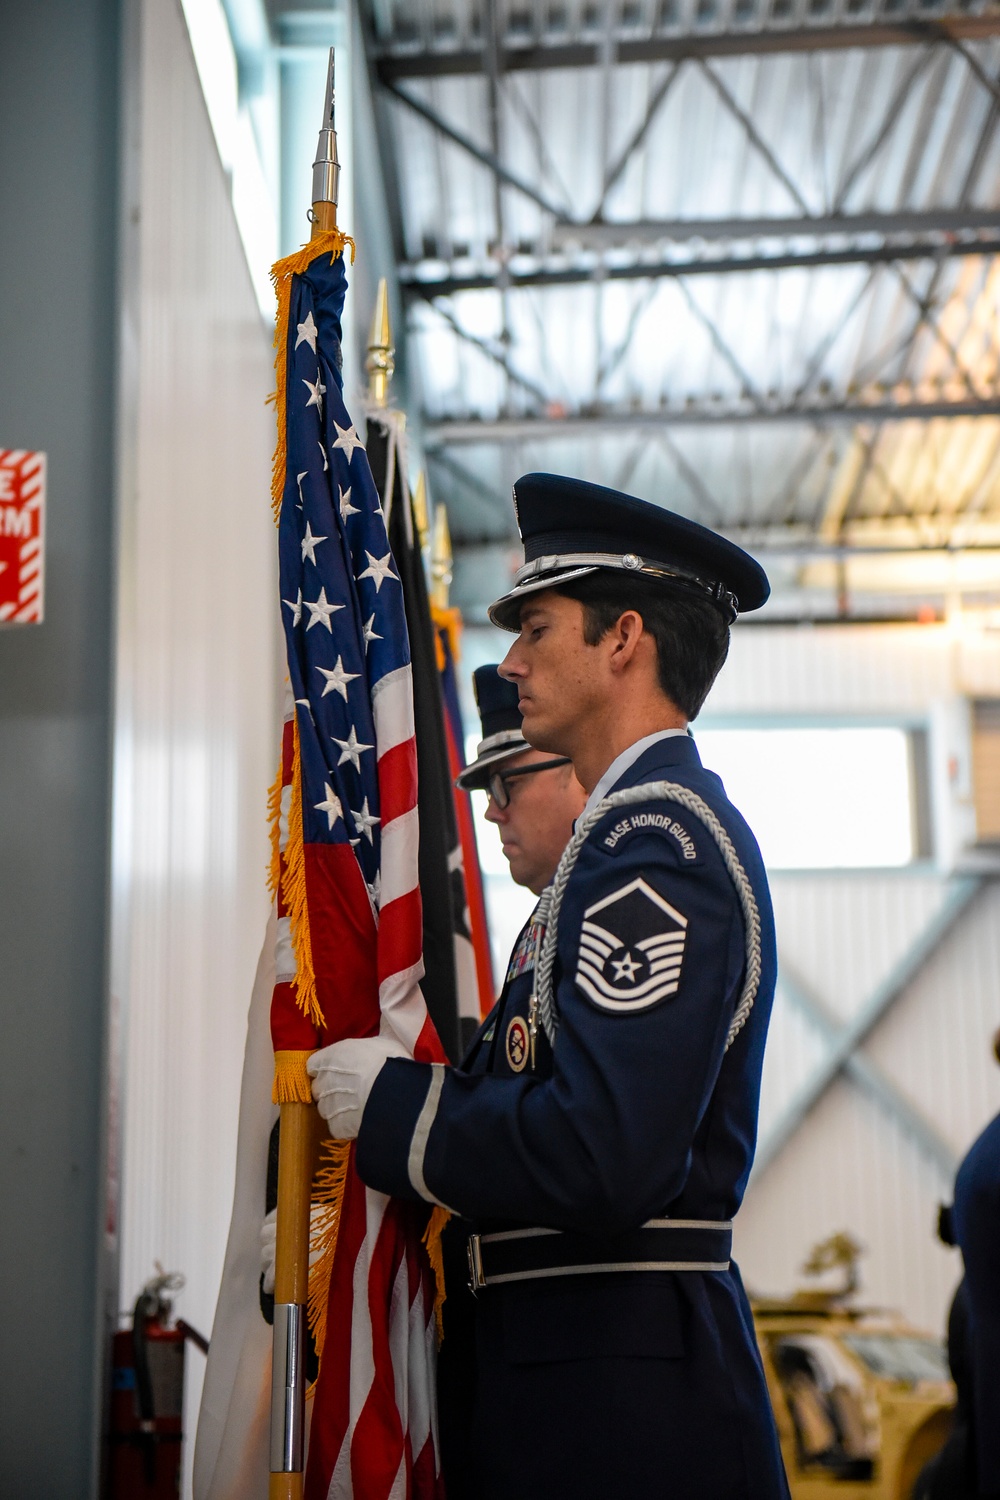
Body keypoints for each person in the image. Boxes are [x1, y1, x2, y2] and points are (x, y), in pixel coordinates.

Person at [307, 473, 789, 1500]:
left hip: (617, 1412)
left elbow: (601, 1153)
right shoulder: (621, 846)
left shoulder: (656, 845)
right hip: (584, 1379)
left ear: (623, 640)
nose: (513, 660)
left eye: (535, 625)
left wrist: (399, 1112)